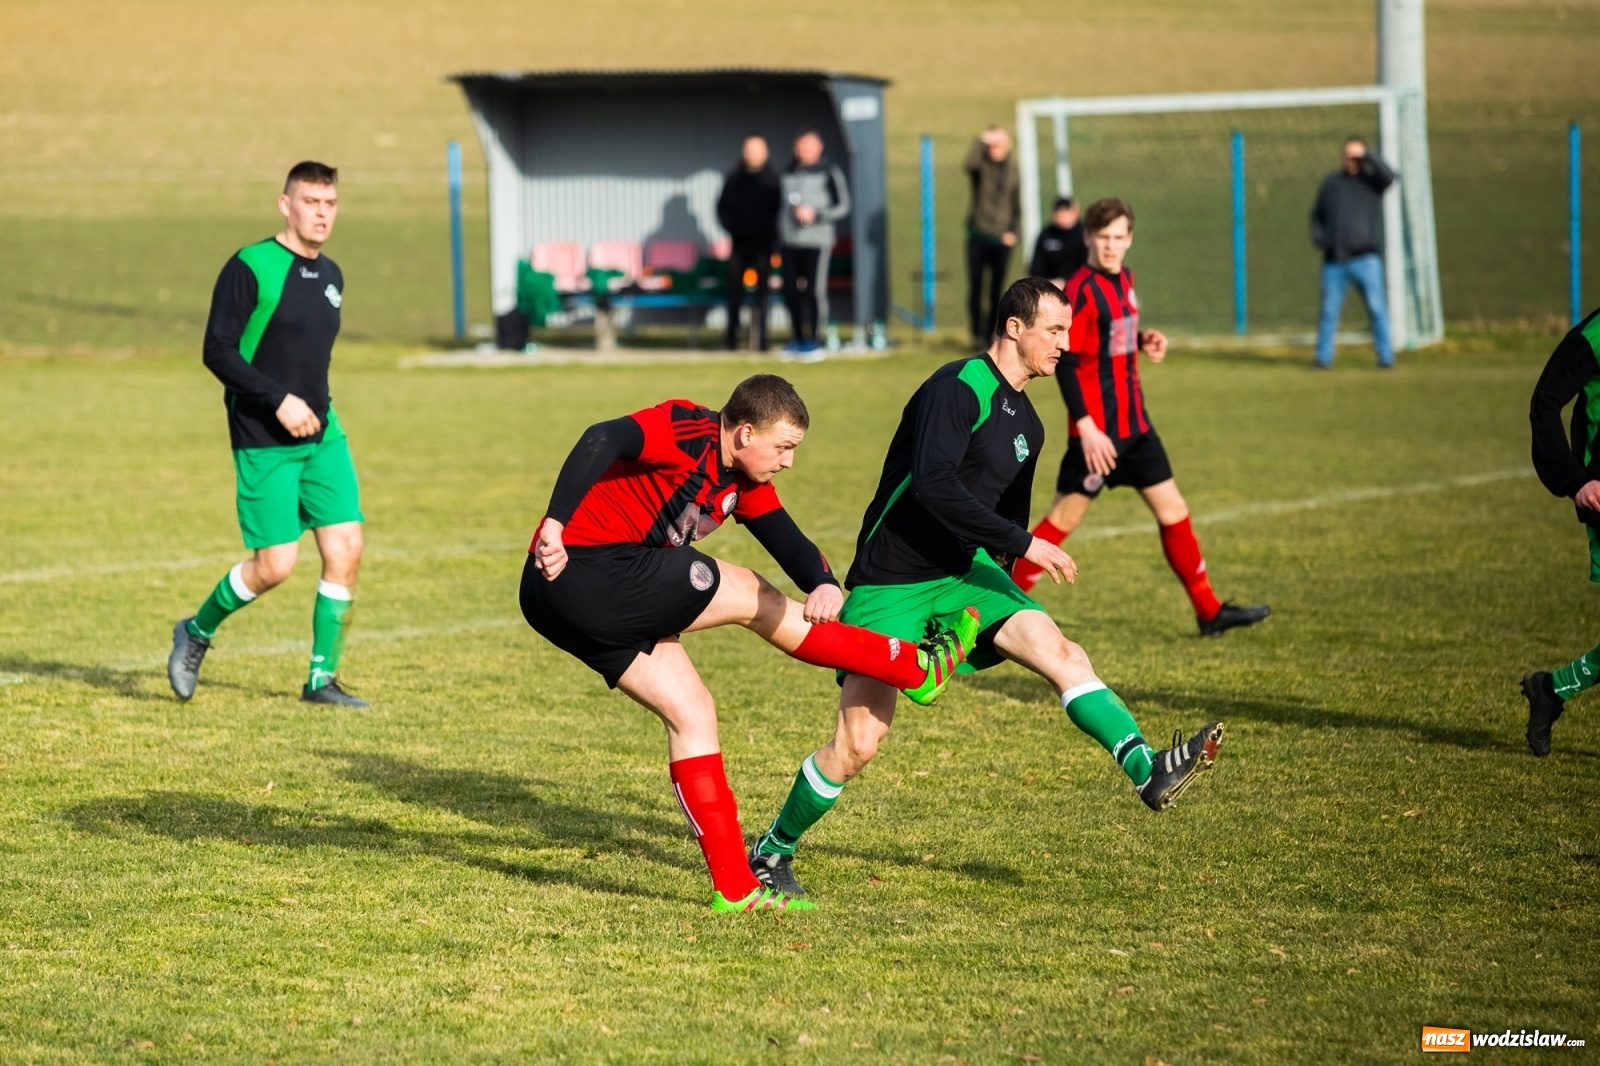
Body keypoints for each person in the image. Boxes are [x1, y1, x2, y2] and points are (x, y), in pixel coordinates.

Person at [746, 280, 1226, 900]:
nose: (1065, 344)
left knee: (1060, 651)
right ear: (1014, 327)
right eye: (1054, 330)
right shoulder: (957, 387)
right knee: (860, 741)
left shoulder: (1029, 423)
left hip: (965, 570)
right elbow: (933, 487)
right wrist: (1027, 546)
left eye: (1068, 331)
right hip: (893, 577)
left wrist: (1008, 560)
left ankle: (1145, 767)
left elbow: (1003, 521)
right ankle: (772, 849)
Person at [522, 375, 978, 913]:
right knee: (748, 592)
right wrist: (554, 523)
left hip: (570, 600)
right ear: (743, 433)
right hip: (584, 569)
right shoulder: (684, 429)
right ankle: (913, 667)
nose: (788, 461)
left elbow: (784, 535)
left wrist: (824, 582)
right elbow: (603, 436)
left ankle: (736, 889)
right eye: (783, 447)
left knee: (693, 713)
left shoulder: (743, 481)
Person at [1009, 198, 1270, 638]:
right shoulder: (1081, 290)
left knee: (1174, 512)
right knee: (1060, 524)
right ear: (1088, 238)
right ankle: (985, 612)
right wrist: (1087, 429)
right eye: (1103, 237)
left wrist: (1144, 339)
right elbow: (1068, 362)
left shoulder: (1124, 279)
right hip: (1100, 435)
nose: (1111, 246)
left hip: (1136, 427)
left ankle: (1209, 612)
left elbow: (1116, 335)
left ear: (1129, 239)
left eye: (1119, 237)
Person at [167, 161, 369, 708]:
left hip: (323, 435)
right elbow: (218, 350)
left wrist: (311, 407)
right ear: (286, 205)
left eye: (329, 203)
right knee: (275, 566)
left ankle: (320, 681)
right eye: (310, 202)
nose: (321, 213)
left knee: (346, 547)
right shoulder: (250, 265)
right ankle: (196, 630)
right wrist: (277, 400)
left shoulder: (332, 276)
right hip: (263, 436)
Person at [1521, 308, 1600, 756]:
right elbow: (1545, 403)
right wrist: (1575, 480)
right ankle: (1551, 691)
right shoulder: (1597, 333)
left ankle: (1551, 691)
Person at [1310, 137, 1396, 369]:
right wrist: (1320, 237)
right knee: (1329, 311)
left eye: (1356, 157)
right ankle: (1323, 359)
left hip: (1366, 259)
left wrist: (1369, 156)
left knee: (1377, 308)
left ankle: (1386, 358)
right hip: (1334, 260)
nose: (1351, 161)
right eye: (1348, 156)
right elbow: (1316, 214)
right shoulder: (1332, 183)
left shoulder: (1372, 183)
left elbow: (1390, 176)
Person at [778, 130, 851, 356]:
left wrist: (816, 214)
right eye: (801, 147)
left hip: (817, 242)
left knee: (813, 291)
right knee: (790, 290)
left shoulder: (829, 173)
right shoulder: (787, 173)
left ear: (819, 149)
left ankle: (815, 340)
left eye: (809, 147)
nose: (805, 152)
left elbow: (843, 206)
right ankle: (797, 338)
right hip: (790, 242)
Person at [715, 134, 782, 352]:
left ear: (766, 153)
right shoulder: (734, 179)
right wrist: (733, 229)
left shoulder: (773, 180)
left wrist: (772, 236)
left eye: (757, 150)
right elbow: (722, 209)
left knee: (763, 295)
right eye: (749, 150)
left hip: (764, 246)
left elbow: (780, 212)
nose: (752, 154)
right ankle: (731, 339)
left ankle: (761, 340)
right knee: (733, 292)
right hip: (739, 244)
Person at [963, 126, 1022, 345]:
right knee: (976, 287)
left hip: (1002, 238)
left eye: (998, 144)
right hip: (978, 234)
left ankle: (991, 333)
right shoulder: (981, 167)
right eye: (991, 145)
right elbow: (969, 164)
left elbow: (1018, 204)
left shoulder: (1013, 169)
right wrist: (981, 140)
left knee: (997, 290)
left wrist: (1013, 232)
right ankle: (976, 334)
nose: (994, 149)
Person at [1029, 196, 1086, 286]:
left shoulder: (1083, 234)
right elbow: (1037, 265)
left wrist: (1065, 280)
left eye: (1066, 212)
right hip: (1048, 284)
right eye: (1060, 212)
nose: (1062, 216)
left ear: (1075, 213)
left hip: (1075, 282)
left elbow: (1085, 264)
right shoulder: (1047, 234)